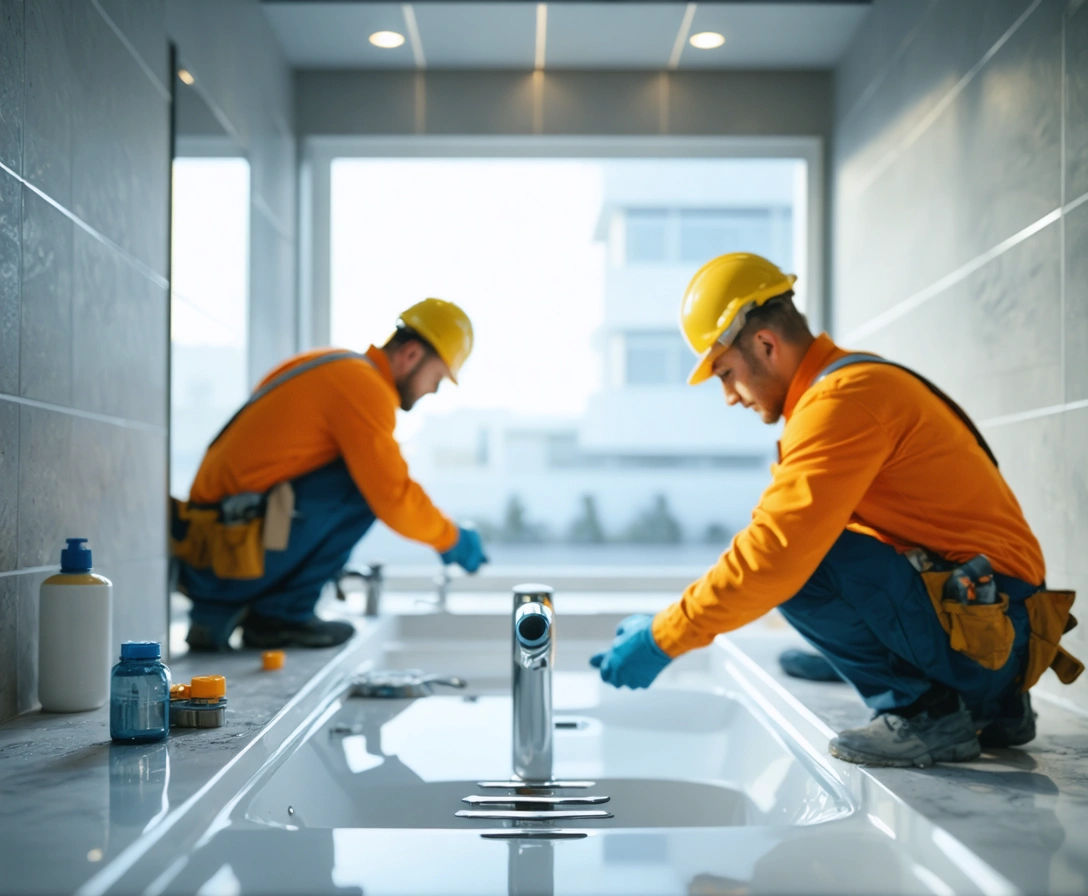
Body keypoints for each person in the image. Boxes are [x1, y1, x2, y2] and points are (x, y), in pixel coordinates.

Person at [590, 253, 1081, 767]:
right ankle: (995, 704)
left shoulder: (841, 402)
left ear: (764, 344)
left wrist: (664, 635)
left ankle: (927, 712)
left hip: (995, 634)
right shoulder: (852, 384)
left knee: (802, 559)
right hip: (1003, 627)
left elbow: (774, 553)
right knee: (816, 540)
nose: (729, 397)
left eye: (725, 373)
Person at [171, 299, 488, 651]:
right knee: (364, 486)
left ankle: (244, 610)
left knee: (365, 475)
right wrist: (450, 538)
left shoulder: (334, 365)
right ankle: (280, 618)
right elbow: (393, 497)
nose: (433, 390)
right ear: (412, 355)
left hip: (212, 544)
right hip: (224, 556)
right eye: (438, 378)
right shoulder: (364, 389)